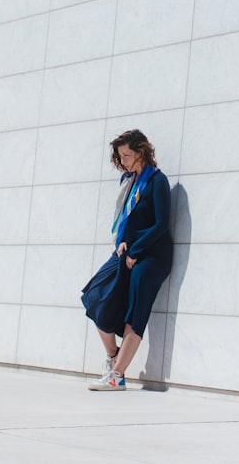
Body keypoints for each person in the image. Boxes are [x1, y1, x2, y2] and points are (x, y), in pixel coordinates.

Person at [81, 129, 173, 391]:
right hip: (127, 251)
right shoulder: (128, 181)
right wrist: (125, 244)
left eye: (127, 155)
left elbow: (161, 224)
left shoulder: (157, 181)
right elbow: (128, 220)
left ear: (141, 152)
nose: (122, 161)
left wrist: (136, 249)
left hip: (152, 256)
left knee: (136, 311)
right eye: (120, 156)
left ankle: (117, 376)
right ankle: (113, 357)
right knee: (95, 296)